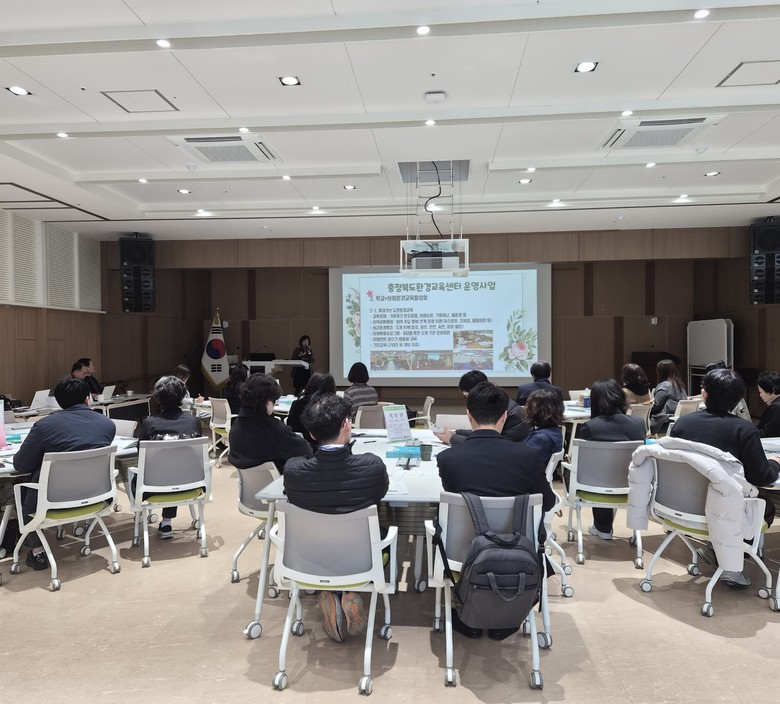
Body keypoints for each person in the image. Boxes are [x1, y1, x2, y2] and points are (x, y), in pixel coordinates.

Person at [436, 381, 556, 641]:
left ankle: (468, 609)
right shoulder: (527, 457)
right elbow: (547, 503)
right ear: (504, 416)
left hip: (464, 554)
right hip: (518, 554)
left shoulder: (447, 459)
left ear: (469, 415)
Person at [284, 393, 389, 643]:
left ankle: (331, 593)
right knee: (385, 534)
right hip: (361, 558)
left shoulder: (294, 471)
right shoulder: (372, 467)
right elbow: (381, 493)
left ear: (312, 434)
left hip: (311, 556)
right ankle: (349, 593)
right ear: (346, 425)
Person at [670, 368, 780, 586]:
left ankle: (715, 550)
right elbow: (762, 478)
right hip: (723, 510)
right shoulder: (744, 430)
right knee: (764, 507)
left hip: (681, 505)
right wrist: (774, 463)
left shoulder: (682, 424)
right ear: (738, 400)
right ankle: (730, 563)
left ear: (704, 394)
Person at [12, 377, 116, 570]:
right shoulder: (107, 424)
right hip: (96, 497)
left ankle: (37, 552)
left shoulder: (45, 426)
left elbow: (20, 465)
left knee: (16, 489)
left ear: (59, 402)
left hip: (52, 501)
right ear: (87, 399)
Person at [579, 378, 646, 540]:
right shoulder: (638, 423)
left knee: (598, 470)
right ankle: (604, 526)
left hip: (595, 487)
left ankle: (602, 527)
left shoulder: (590, 427)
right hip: (631, 484)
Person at [138, 376, 202, 539]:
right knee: (175, 469)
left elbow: (141, 455)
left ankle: (140, 517)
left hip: (153, 487)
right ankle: (166, 522)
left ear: (157, 398)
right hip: (190, 484)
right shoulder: (193, 422)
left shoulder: (149, 423)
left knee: (160, 471)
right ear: (182, 397)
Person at [228, 373, 312, 472]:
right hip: (276, 480)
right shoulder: (273, 429)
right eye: (274, 401)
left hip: (249, 480)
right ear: (268, 402)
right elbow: (306, 450)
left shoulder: (236, 424)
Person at [434, 370, 529, 446]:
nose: (468, 401)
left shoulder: (514, 415)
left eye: (467, 396)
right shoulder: (494, 404)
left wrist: (452, 438)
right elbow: (483, 434)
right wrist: (456, 433)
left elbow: (491, 446)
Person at [287, 370, 337, 448]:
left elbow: (290, 425)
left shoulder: (296, 404)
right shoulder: (331, 407)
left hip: (298, 446)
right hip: (324, 449)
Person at [521, 388, 564, 465]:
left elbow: (523, 461)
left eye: (528, 405)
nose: (525, 407)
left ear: (535, 410)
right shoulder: (554, 430)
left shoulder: (541, 439)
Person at [649, 359, 687, 435]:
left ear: (660, 372)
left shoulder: (664, 386)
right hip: (678, 420)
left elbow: (656, 406)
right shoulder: (680, 385)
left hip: (664, 421)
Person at [757, 371, 780, 438]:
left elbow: (768, 433)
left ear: (772, 390)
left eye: (761, 392)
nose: (760, 395)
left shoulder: (776, 407)